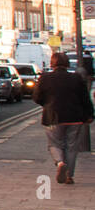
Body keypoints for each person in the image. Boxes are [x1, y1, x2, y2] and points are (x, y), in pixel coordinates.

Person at [33, 52, 93, 185]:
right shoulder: (76, 78)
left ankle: (60, 163)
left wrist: (48, 104)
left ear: (52, 63)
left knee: (55, 144)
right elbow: (85, 99)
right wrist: (89, 115)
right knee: (71, 147)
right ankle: (69, 176)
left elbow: (37, 97)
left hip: (53, 117)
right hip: (75, 117)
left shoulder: (45, 78)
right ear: (67, 64)